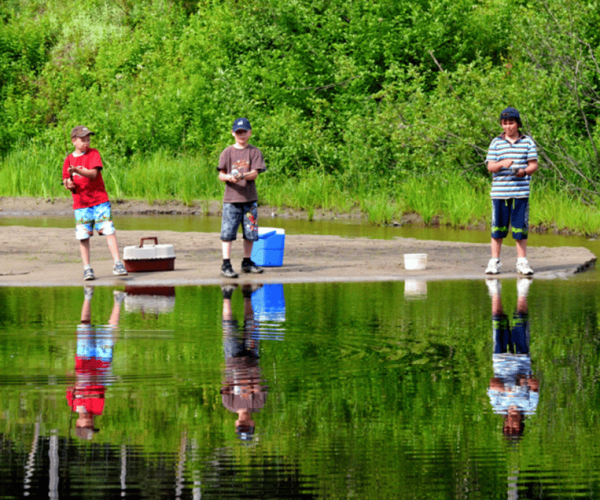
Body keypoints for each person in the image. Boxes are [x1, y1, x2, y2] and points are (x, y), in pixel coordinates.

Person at [62, 125, 128, 281]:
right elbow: (65, 180)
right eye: (83, 140)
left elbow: (93, 174)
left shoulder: (93, 154)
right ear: (73, 141)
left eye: (88, 139)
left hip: (100, 201)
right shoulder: (68, 160)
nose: (87, 142)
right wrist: (69, 183)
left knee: (109, 230)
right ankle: (87, 269)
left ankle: (117, 264)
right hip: (81, 204)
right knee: (83, 236)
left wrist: (77, 171)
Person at [66, 286, 125, 439]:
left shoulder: (72, 405)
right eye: (91, 425)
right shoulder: (98, 409)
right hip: (102, 364)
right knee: (110, 333)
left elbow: (70, 384)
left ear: (78, 423)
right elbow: (99, 392)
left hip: (83, 361)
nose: (90, 422)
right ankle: (118, 301)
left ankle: (88, 296)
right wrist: (84, 393)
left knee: (85, 326)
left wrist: (73, 382)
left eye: (87, 425)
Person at [485, 107, 538, 275]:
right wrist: (502, 164)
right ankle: (494, 262)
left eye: (511, 123)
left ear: (518, 124)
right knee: (497, 229)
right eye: (505, 123)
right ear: (501, 125)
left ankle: (522, 262)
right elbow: (490, 166)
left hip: (520, 193)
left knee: (520, 229)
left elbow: (534, 165)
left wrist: (523, 172)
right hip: (499, 193)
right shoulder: (496, 142)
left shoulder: (528, 142)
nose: (508, 126)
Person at [486, 278, 539, 440]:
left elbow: (492, 383)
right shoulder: (529, 407)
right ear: (520, 426)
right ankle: (522, 289)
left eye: (507, 427)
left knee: (498, 319)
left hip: (501, 359)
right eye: (513, 428)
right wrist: (522, 381)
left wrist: (508, 389)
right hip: (522, 358)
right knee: (520, 319)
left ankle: (495, 289)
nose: (510, 425)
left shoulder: (498, 407)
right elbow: (535, 384)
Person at [217, 118, 267, 278]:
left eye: (244, 132)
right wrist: (229, 178)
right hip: (231, 200)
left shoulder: (254, 152)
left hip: (249, 199)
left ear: (250, 133)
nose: (241, 135)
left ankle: (247, 262)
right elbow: (221, 175)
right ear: (233, 133)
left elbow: (255, 173)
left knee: (250, 232)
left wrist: (242, 175)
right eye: (238, 132)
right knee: (227, 233)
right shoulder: (227, 152)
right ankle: (226, 264)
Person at [220, 284, 268, 441]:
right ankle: (247, 295)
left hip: (232, 359)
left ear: (236, 424)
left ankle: (226, 295)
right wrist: (249, 385)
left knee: (228, 326)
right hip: (252, 357)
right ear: (253, 423)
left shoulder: (229, 404)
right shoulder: (258, 404)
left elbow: (224, 382)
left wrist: (247, 384)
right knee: (251, 322)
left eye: (241, 426)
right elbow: (260, 383)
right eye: (247, 426)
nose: (244, 422)